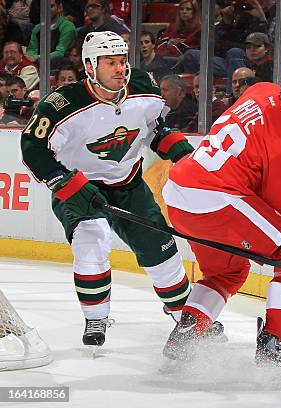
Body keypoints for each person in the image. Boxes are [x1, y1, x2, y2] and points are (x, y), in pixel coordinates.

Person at [161, 56, 281, 381]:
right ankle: (275, 347)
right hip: (217, 198)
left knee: (228, 271)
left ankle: (186, 335)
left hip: (180, 191)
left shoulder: (263, 90)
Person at [20, 31, 196, 349]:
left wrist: (179, 151)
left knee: (161, 250)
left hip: (128, 185)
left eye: (122, 61)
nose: (119, 69)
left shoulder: (144, 87)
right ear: (90, 66)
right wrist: (64, 183)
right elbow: (33, 147)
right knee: (92, 242)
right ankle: (96, 318)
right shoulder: (63, 103)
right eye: (110, 62)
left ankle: (187, 317)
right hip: (79, 187)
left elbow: (156, 128)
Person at [26, 0, 77, 68]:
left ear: (60, 8)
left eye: (51, 6)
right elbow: (32, 49)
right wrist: (30, 57)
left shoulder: (68, 26)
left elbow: (60, 52)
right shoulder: (37, 28)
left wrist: (35, 58)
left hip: (62, 66)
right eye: (44, 7)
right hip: (39, 64)